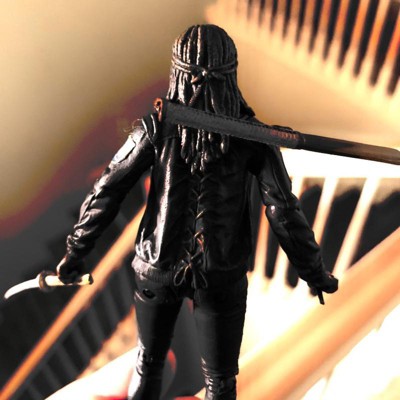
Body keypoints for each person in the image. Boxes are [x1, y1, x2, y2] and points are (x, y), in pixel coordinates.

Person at [56, 24, 338, 400]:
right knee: (220, 382)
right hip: (221, 274)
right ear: (230, 75)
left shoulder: (154, 130)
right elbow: (283, 211)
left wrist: (76, 253)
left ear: (178, 73)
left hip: (156, 268)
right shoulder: (253, 138)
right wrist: (313, 271)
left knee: (148, 363)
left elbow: (106, 192)